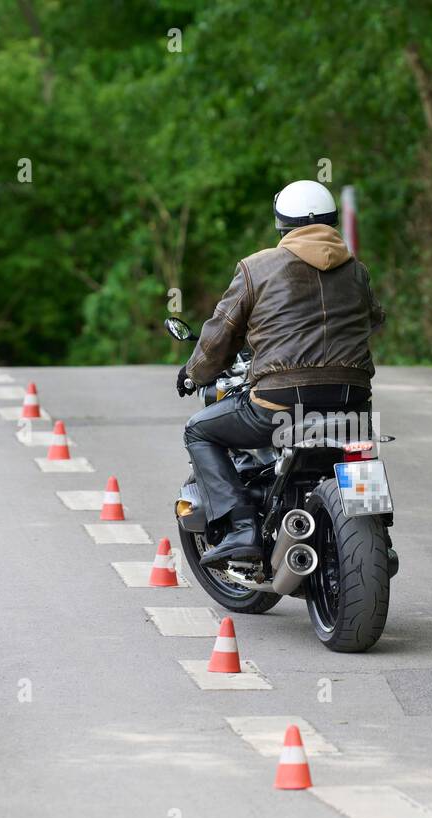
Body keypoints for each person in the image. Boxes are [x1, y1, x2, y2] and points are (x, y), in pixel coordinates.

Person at [177, 180, 386, 566]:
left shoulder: (256, 268)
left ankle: (241, 527)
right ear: (332, 221)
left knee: (199, 430)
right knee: (358, 449)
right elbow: (372, 322)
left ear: (281, 224)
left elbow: (221, 334)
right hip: (352, 402)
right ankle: (378, 533)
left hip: (281, 403)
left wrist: (194, 373)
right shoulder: (357, 271)